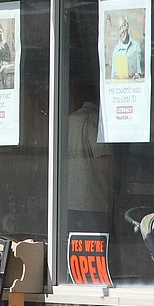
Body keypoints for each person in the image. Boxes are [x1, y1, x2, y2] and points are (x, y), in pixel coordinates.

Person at [66, 96, 114, 233]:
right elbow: (103, 161)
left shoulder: (69, 120)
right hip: (93, 202)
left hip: (69, 200)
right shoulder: (95, 120)